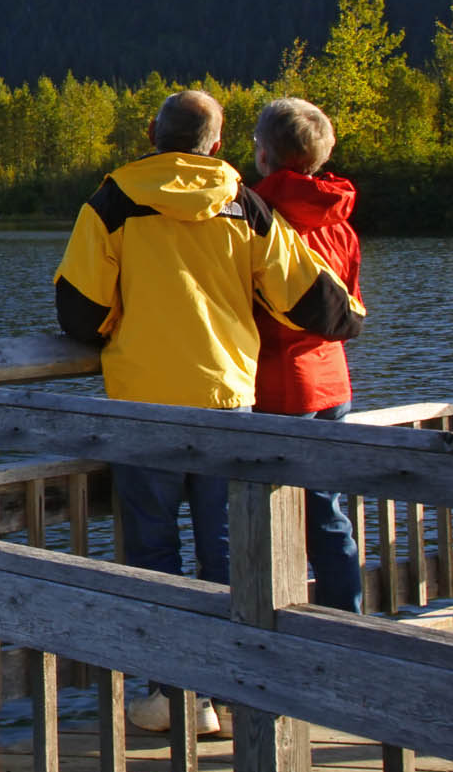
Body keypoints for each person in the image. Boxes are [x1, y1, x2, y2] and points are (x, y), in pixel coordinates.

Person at [53, 89, 364, 734]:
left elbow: (79, 312)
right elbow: (313, 301)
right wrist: (350, 314)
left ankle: (171, 695)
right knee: (226, 550)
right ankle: (232, 691)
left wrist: (118, 322)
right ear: (217, 144)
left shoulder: (112, 200)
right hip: (227, 399)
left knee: (153, 549)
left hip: (144, 402)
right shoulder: (245, 204)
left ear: (152, 133)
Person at [250, 97, 365, 614]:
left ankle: (273, 625)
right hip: (332, 382)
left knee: (266, 513)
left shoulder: (257, 215)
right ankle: (348, 619)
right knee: (326, 510)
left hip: (277, 384)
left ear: (264, 155)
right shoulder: (339, 217)